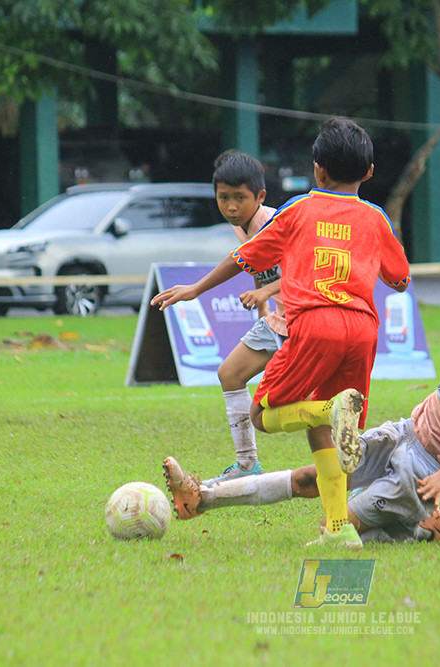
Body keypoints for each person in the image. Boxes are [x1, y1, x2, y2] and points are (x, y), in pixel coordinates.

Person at [151, 117, 412, 549]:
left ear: (317, 171)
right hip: (363, 329)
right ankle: (338, 530)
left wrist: (197, 288)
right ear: (368, 173)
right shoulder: (376, 217)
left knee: (264, 415)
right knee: (326, 435)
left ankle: (328, 410)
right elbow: (400, 280)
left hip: (312, 323)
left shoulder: (298, 210)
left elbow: (245, 257)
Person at [161, 261, 440, 544]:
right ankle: (202, 499)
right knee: (314, 477)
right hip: (402, 434)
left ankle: (418, 527)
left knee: (336, 530)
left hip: (423, 471)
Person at [204, 150, 285, 486]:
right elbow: (256, 263)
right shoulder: (243, 226)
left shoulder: (273, 222)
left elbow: (305, 270)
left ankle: (358, 475)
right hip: (282, 319)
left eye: (240, 198)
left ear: (260, 196)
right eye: (224, 198)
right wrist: (264, 310)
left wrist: (265, 294)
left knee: (315, 408)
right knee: (230, 374)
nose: (231, 206)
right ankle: (247, 464)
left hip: (305, 318)